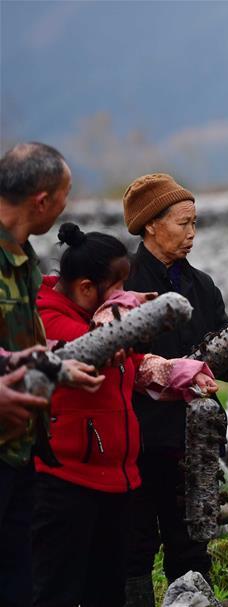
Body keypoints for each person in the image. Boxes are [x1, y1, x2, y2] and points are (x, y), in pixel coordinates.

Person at [32, 223, 218, 607]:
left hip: (115, 478)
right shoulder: (51, 321)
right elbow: (92, 353)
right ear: (87, 288)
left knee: (107, 588)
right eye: (116, 286)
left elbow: (129, 365)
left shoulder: (96, 318)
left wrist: (176, 372)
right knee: (58, 587)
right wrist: (126, 314)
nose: (123, 293)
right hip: (68, 480)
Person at [121, 173, 228, 606]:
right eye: (183, 223)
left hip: (194, 439)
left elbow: (220, 359)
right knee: (134, 545)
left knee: (193, 544)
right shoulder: (124, 286)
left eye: (195, 223)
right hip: (139, 439)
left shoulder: (202, 286)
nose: (192, 233)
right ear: (150, 225)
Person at [0, 142, 103, 606]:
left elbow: (23, 345)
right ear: (42, 201)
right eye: (65, 193)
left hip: (19, 447)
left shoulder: (23, 259)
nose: (66, 205)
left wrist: (59, 367)